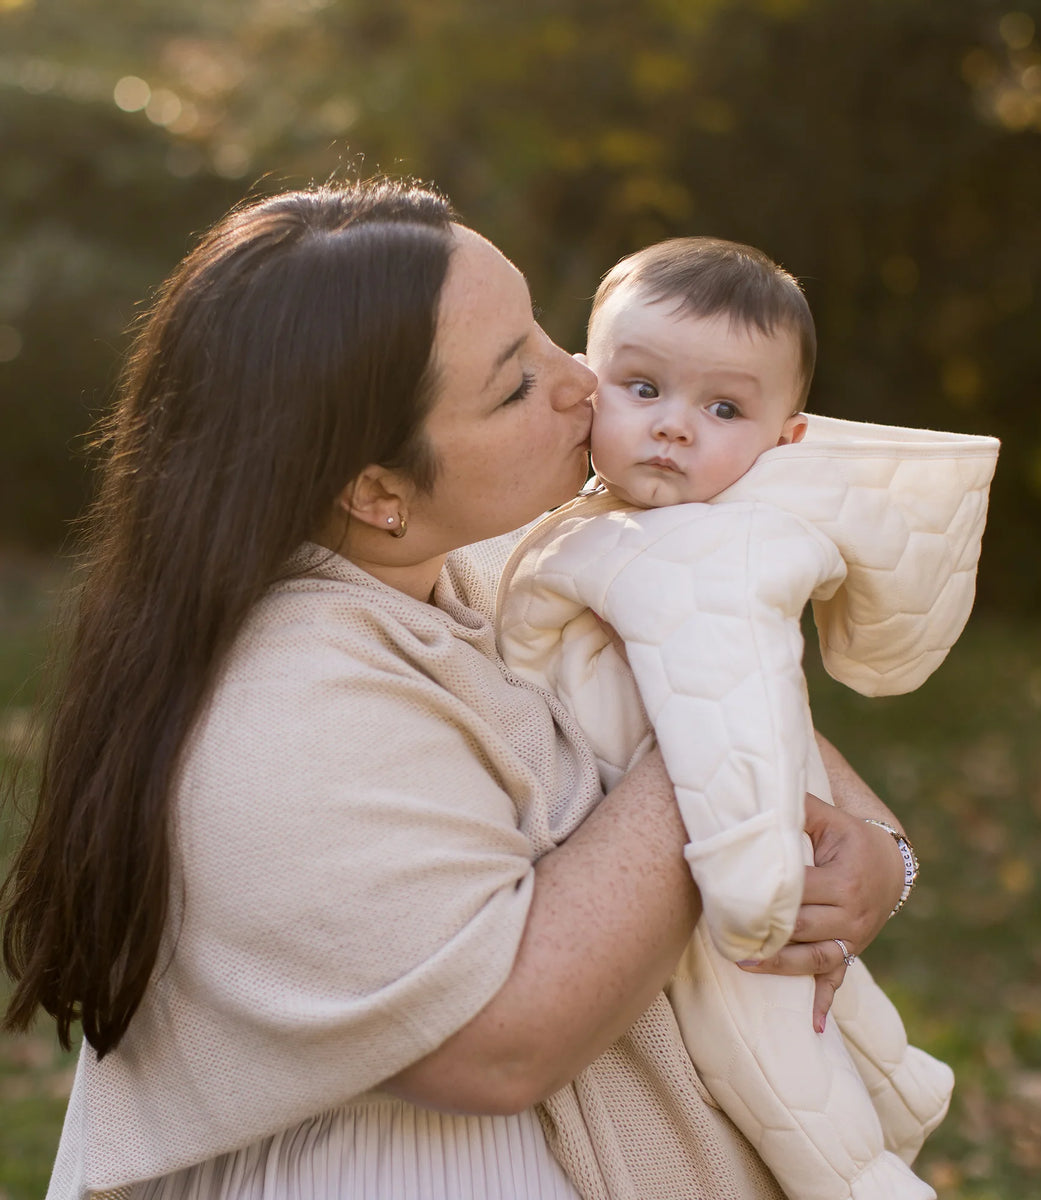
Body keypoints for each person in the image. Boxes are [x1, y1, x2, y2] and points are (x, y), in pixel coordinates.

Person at [1, 181, 914, 1200]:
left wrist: (887, 859)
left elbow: (804, 763)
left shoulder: (490, 567)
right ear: (376, 490)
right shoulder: (290, 708)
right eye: (515, 383)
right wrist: (704, 713)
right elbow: (497, 1044)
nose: (582, 381)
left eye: (540, 331)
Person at [497, 238, 999, 1199]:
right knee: (832, 1036)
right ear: (583, 376)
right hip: (650, 869)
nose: (674, 428)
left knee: (779, 1075)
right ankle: (905, 1092)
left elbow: (735, 723)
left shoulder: (712, 554)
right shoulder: (591, 518)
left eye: (723, 408)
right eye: (641, 387)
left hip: (725, 888)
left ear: (787, 436)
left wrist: (757, 897)